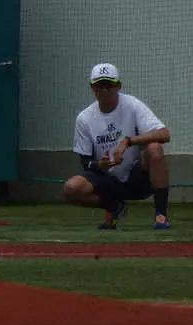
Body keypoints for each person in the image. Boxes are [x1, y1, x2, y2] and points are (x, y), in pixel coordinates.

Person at [63, 63, 172, 230]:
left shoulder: (132, 105)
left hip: (137, 176)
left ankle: (161, 216)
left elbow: (164, 134)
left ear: (118, 86)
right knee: (71, 188)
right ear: (92, 88)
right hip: (107, 179)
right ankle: (114, 206)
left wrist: (128, 141)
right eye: (100, 86)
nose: (105, 91)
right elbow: (85, 163)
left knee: (155, 148)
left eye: (109, 85)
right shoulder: (84, 118)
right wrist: (101, 164)